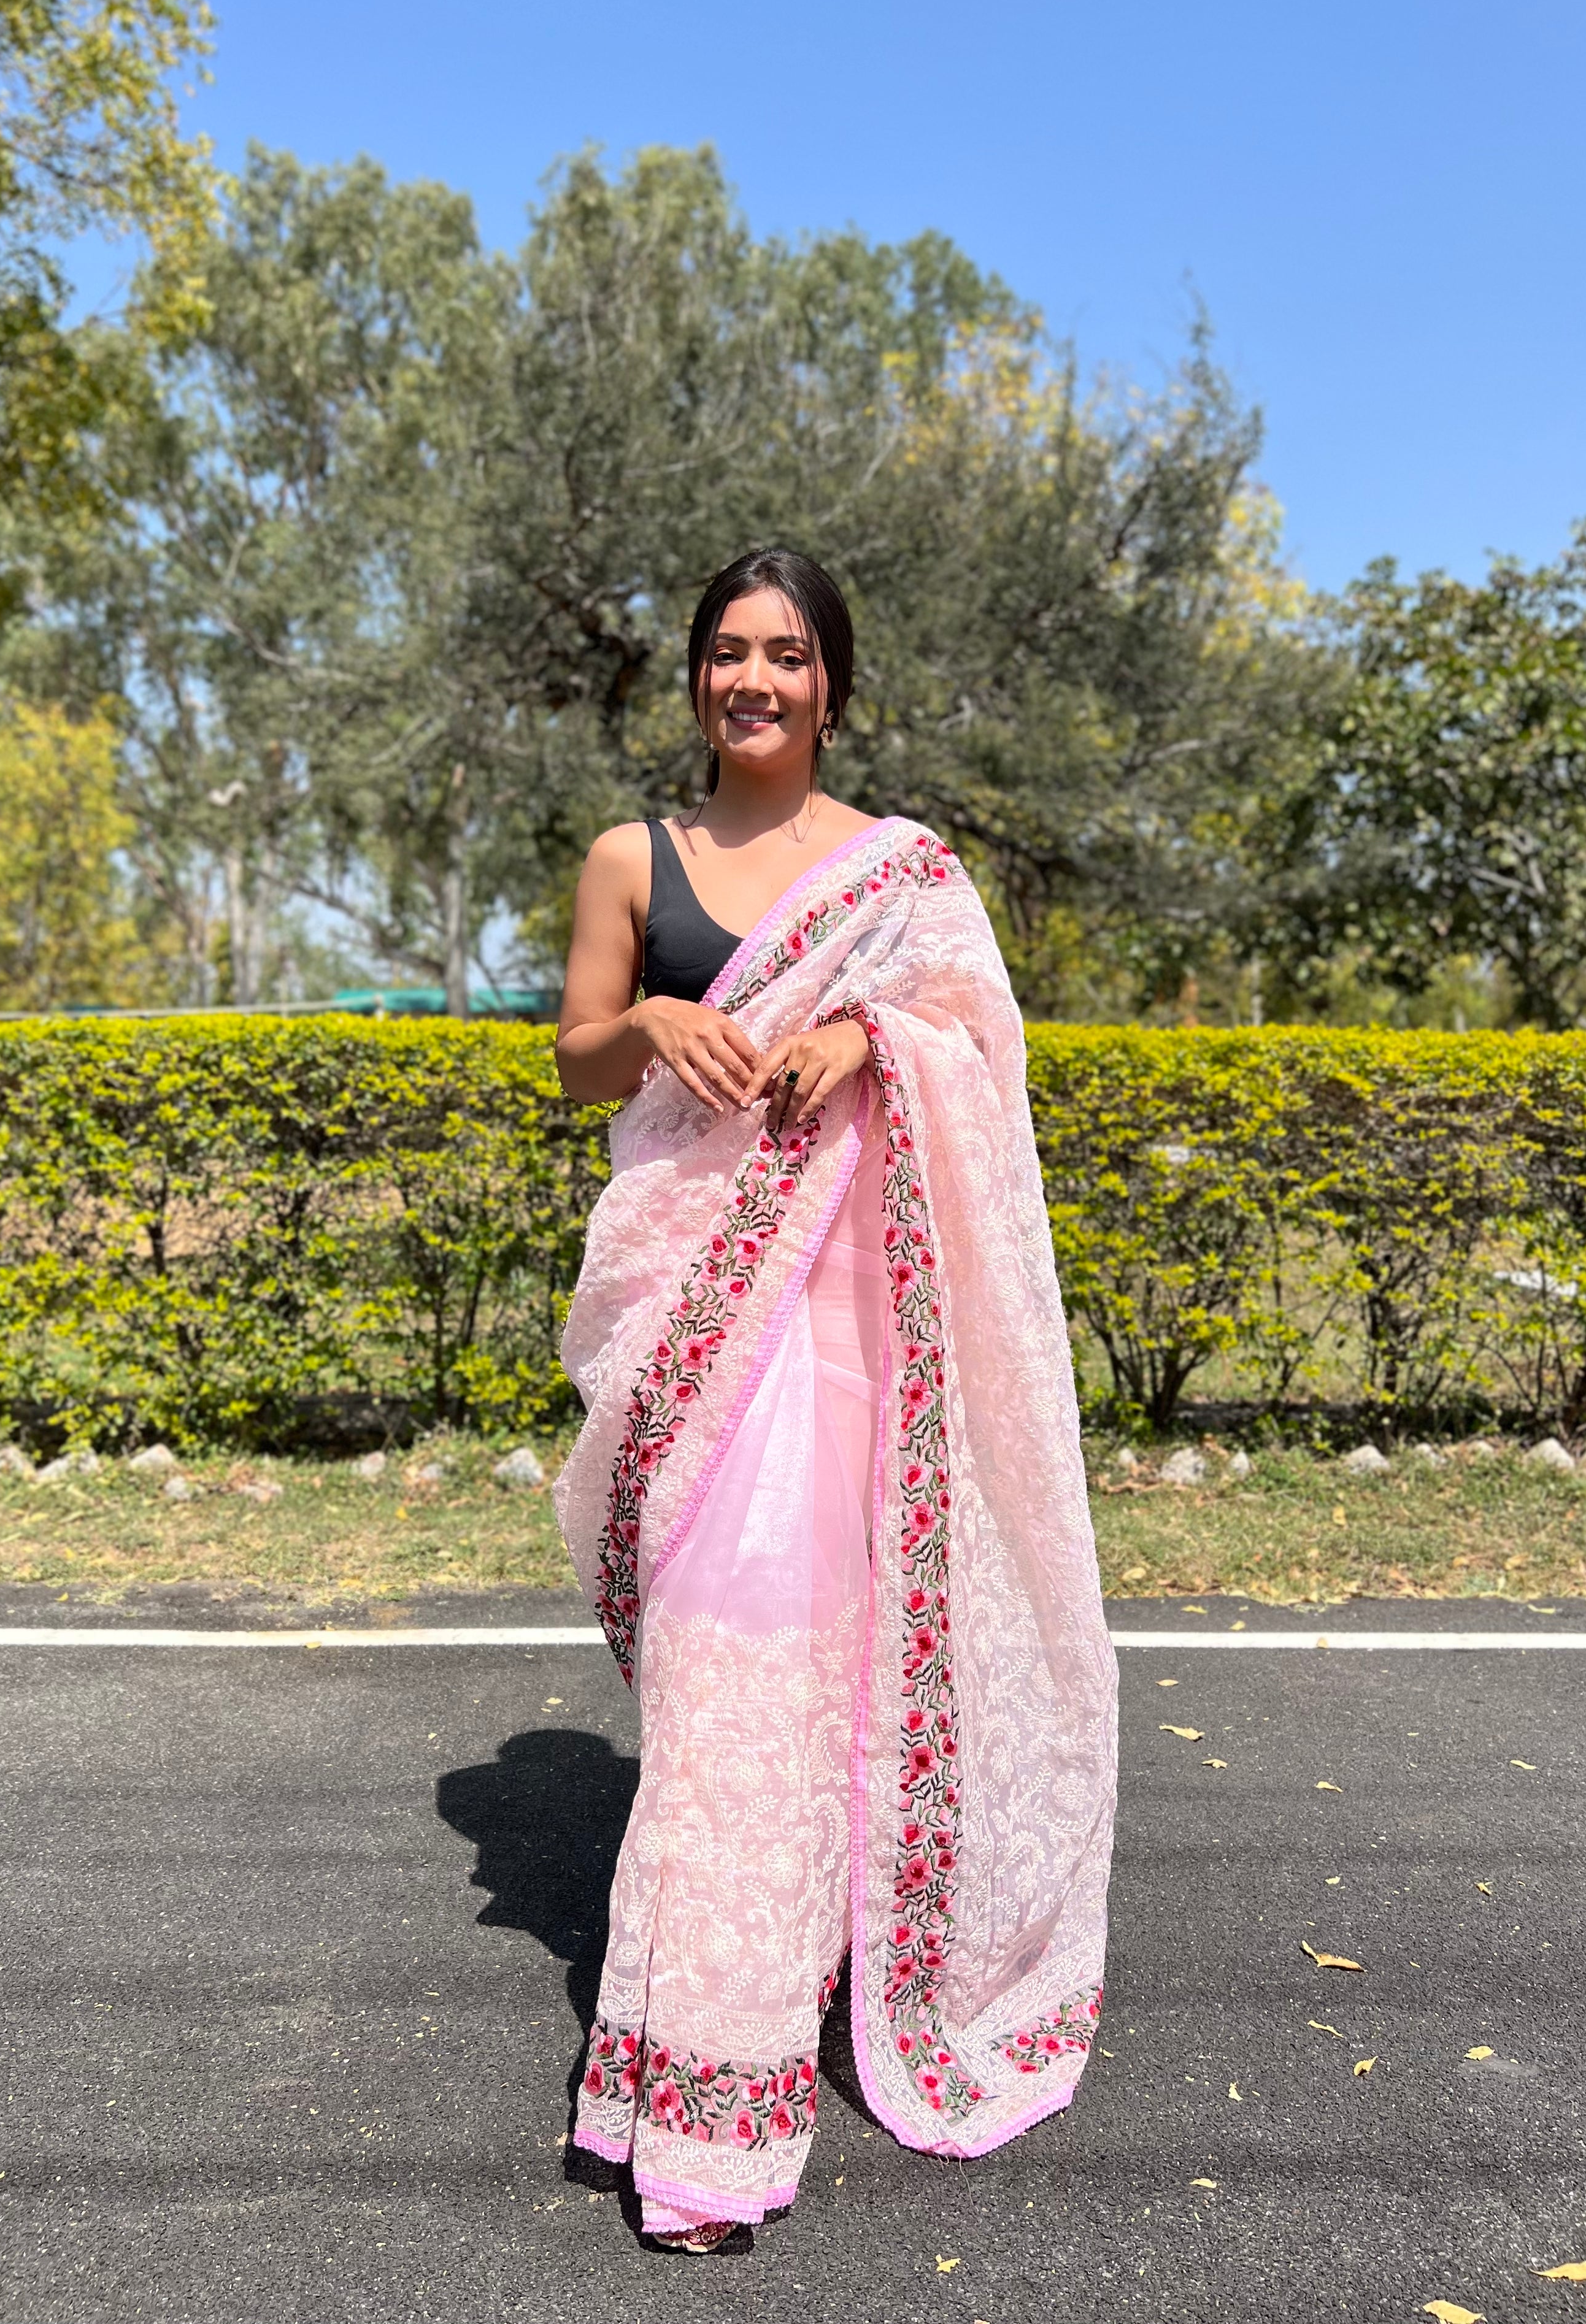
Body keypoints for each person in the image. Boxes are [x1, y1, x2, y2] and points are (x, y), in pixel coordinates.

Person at [552, 547, 1117, 2253]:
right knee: (728, 1694)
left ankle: (725, 2100)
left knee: (819, 1678)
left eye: (787, 657)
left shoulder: (906, 877)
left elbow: (978, 1044)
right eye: (729, 653)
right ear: (697, 680)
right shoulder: (630, 857)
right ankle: (716, 2048)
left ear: (832, 683)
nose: (756, 681)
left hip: (860, 1343)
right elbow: (574, 1058)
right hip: (697, 1334)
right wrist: (653, 1012)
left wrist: (871, 1039)